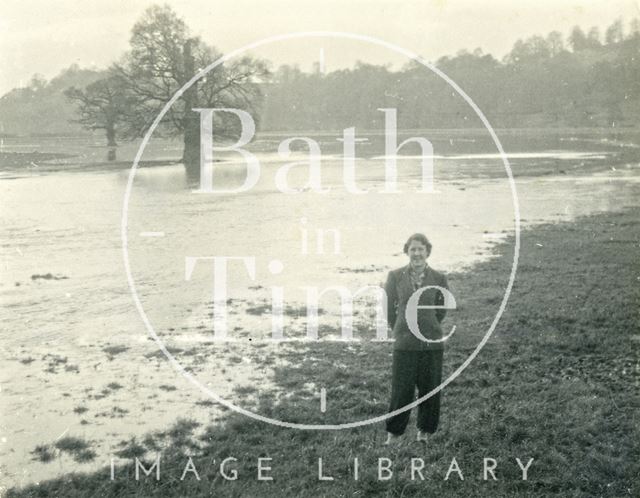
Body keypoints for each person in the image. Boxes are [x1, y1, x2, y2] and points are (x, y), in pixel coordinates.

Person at [384, 233, 450, 445]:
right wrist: (400, 328)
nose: (417, 253)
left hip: (432, 343)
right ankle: (393, 435)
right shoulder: (395, 276)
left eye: (421, 249)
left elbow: (442, 308)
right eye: (413, 249)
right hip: (404, 342)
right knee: (401, 390)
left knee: (430, 388)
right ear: (407, 251)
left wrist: (428, 324)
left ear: (427, 251)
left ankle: (424, 432)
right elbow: (388, 308)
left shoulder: (439, 278)